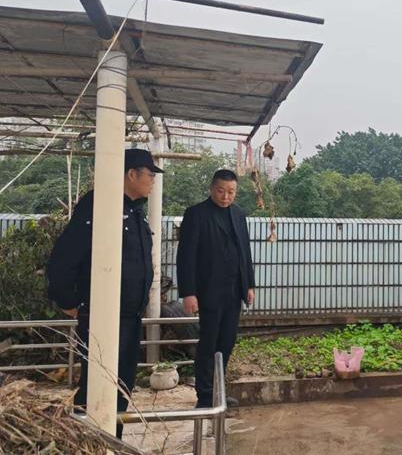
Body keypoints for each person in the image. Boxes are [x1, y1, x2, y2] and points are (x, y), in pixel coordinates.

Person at [46, 148, 161, 438]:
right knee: (98, 385)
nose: (153, 181)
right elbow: (64, 258)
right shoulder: (99, 205)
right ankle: (89, 441)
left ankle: (112, 441)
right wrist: (68, 300)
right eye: (150, 174)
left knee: (122, 384)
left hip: (130, 316)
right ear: (131, 174)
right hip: (104, 316)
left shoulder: (135, 211)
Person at [176, 169, 255, 408]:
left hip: (234, 289)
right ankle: (205, 395)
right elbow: (186, 256)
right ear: (211, 188)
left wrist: (249, 284)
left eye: (231, 192)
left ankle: (218, 390)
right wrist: (188, 292)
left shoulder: (238, 214)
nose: (225, 196)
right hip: (208, 289)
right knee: (209, 342)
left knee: (227, 341)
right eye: (221, 191)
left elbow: (245, 251)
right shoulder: (196, 214)